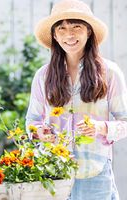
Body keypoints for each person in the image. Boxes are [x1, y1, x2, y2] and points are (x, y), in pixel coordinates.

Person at [25, 0, 127, 199]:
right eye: (61, 28)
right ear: (54, 35)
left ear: (88, 32)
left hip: (95, 174)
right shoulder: (43, 76)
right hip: (52, 173)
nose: (69, 34)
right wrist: (39, 132)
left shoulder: (110, 73)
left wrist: (101, 128)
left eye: (76, 26)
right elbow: (31, 122)